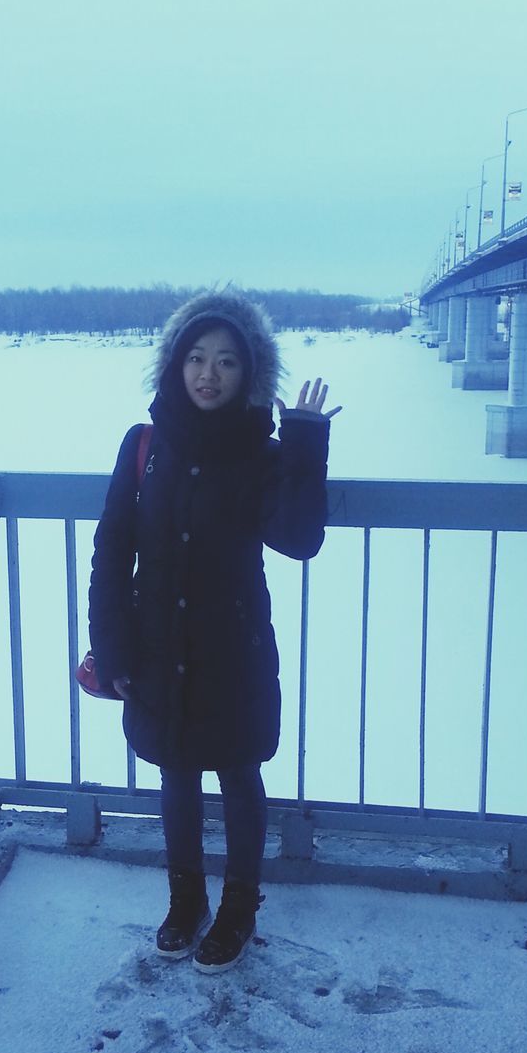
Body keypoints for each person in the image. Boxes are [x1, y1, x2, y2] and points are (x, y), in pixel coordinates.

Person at [87, 290, 339, 972]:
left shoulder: (259, 451)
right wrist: (111, 644)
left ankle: (237, 908)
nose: (209, 373)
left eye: (227, 361)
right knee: (174, 776)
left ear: (248, 374)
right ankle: (185, 900)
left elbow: (298, 536)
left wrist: (306, 440)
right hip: (156, 647)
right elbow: (113, 548)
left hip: (233, 651)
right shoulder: (143, 447)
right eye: (196, 357)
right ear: (174, 364)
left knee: (236, 775)